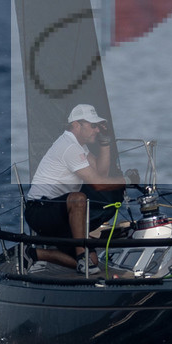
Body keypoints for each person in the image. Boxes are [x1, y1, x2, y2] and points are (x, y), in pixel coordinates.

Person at [23, 104, 124, 269]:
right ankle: (81, 255)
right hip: (40, 211)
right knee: (78, 198)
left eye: (98, 126)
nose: (97, 130)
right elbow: (99, 183)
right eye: (93, 126)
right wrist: (126, 179)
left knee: (94, 263)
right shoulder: (69, 147)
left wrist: (105, 142)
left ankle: (35, 254)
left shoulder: (78, 146)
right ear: (77, 125)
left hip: (57, 211)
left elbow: (101, 173)